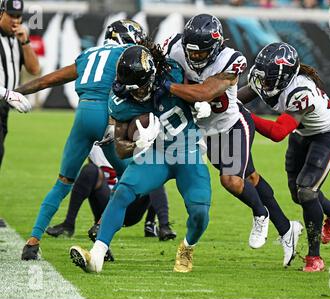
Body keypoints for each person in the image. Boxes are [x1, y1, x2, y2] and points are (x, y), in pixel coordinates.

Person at [160, 14, 303, 267]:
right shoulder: (174, 47)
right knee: (252, 180)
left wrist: (168, 87)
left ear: (215, 46)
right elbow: (164, 68)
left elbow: (205, 92)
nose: (194, 57)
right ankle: (286, 229)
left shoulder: (231, 59)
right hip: (207, 131)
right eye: (190, 51)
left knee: (231, 181)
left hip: (232, 125)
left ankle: (260, 214)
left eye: (201, 52)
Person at [69, 44, 211, 273]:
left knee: (200, 213)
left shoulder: (173, 72)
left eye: (140, 87)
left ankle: (187, 247)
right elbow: (120, 148)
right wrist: (137, 143)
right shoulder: (119, 99)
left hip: (187, 150)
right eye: (130, 88)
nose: (136, 93)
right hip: (155, 154)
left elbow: (202, 87)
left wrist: (200, 102)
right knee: (122, 192)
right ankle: (96, 255)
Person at [17, 19, 147, 260]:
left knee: (62, 182)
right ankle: (101, 231)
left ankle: (32, 242)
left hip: (82, 114)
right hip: (107, 116)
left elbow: (49, 80)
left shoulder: (89, 53)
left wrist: (17, 91)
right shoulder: (125, 54)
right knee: (131, 180)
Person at [237, 42, 330, 272]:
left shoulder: (300, 92)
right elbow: (236, 100)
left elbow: (277, 133)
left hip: (326, 134)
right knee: (298, 195)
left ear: (283, 77)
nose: (261, 83)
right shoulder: (268, 80)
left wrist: (243, 114)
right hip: (302, 133)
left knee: (307, 192)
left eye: (267, 78)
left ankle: (314, 257)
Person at [46, 144, 176, 241]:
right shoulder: (94, 141)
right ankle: (70, 224)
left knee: (153, 173)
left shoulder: (137, 134)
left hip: (131, 204)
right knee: (89, 170)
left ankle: (158, 225)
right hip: (106, 204)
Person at [0, 0, 40, 170]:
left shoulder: (19, 37)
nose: (15, 21)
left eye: (18, 16)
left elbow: (34, 69)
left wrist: (25, 42)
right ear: (1, 13)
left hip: (4, 107)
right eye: (11, 15)